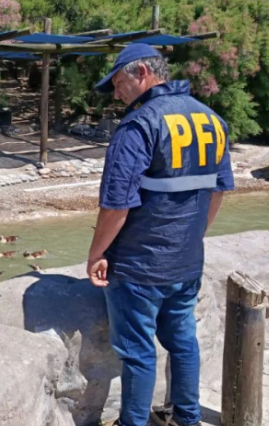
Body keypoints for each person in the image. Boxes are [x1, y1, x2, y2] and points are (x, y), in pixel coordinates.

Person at [86, 43, 234, 426]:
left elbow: (117, 204)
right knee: (183, 342)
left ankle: (133, 422)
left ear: (141, 73)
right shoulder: (212, 120)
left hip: (139, 267)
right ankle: (187, 418)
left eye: (118, 83)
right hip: (186, 263)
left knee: (137, 353)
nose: (116, 94)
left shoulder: (138, 125)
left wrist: (96, 253)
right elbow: (218, 191)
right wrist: (193, 237)